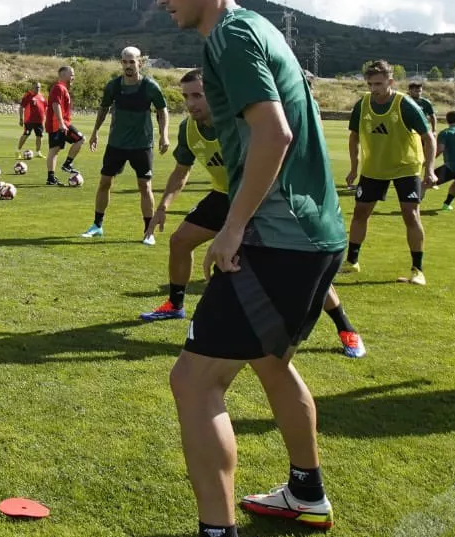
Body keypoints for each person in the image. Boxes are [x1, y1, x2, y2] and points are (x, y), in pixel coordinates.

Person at [140, 0, 347, 537]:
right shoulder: (255, 28)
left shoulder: (229, 37)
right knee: (271, 362)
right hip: (313, 234)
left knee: (193, 381)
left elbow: (274, 133)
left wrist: (232, 229)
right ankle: (306, 493)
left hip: (277, 239)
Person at [141, 69, 365, 359]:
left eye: (198, 95)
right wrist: (163, 207)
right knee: (179, 241)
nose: (191, 103)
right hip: (223, 195)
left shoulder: (241, 124)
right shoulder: (188, 129)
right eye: (186, 97)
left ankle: (346, 328)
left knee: (301, 272)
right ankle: (175, 304)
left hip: (259, 199)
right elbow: (181, 171)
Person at [343, 60, 436, 285]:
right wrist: (354, 168)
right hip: (374, 167)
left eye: (378, 84)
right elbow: (354, 136)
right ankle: (352, 261)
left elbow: (429, 137)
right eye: (370, 84)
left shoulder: (405, 104)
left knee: (410, 214)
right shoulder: (363, 104)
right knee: (360, 213)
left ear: (390, 82)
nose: (373, 89)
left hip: (406, 167)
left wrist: (430, 170)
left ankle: (417, 270)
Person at [82, 46, 169, 243]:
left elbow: (162, 111)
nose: (128, 65)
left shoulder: (150, 86)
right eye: (125, 62)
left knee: (144, 186)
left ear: (140, 63)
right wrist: (95, 132)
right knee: (105, 182)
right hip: (117, 144)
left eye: (132, 61)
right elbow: (104, 108)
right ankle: (97, 225)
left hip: (142, 144)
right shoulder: (113, 86)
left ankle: (148, 232)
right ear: (121, 63)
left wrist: (164, 135)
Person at [44, 65, 83, 183]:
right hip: (57, 123)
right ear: (63, 75)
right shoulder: (58, 88)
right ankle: (62, 168)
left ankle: (55, 174)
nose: (73, 77)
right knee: (56, 149)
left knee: (56, 149)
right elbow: (55, 104)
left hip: (61, 123)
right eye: (71, 74)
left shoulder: (63, 88)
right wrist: (61, 123)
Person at [16, 81, 46, 156]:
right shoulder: (28, 95)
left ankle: (38, 152)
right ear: (32, 87)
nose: (38, 88)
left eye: (39, 87)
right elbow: (21, 107)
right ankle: (18, 151)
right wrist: (21, 119)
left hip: (39, 121)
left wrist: (46, 119)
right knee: (26, 135)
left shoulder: (42, 96)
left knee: (39, 136)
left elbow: (45, 108)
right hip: (29, 120)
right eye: (36, 87)